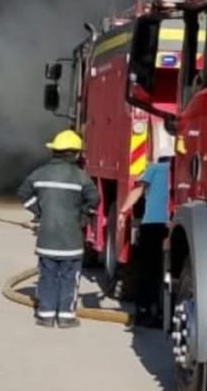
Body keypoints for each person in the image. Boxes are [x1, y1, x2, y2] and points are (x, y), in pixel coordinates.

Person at [18, 129, 99, 329]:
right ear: (76, 153)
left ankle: (45, 315)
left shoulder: (40, 173)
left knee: (47, 276)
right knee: (70, 278)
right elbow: (94, 199)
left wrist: (39, 212)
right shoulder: (81, 177)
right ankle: (66, 316)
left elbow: (23, 193)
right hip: (71, 241)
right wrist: (83, 216)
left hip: (47, 239)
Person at [118, 127, 174, 327]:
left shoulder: (154, 169)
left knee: (148, 270)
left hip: (152, 225)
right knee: (163, 271)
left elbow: (138, 190)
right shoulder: (180, 172)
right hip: (173, 226)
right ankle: (161, 312)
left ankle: (144, 311)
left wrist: (123, 212)